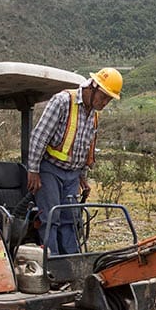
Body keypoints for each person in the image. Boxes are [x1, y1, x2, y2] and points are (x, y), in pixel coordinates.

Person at [26, 67, 122, 254]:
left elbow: (86, 147)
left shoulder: (93, 114)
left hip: (73, 174)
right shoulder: (62, 102)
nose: (105, 103)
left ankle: (73, 262)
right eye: (103, 97)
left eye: (109, 100)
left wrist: (82, 176)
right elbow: (39, 136)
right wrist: (33, 170)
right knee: (51, 218)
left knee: (70, 220)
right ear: (93, 87)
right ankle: (51, 263)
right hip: (50, 169)